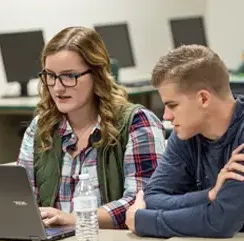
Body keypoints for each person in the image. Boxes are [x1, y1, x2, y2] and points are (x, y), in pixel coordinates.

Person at [125, 45, 244, 237]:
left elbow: (220, 221)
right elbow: (152, 198)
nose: (167, 116)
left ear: (204, 98)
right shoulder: (188, 133)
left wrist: (142, 221)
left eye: (173, 105)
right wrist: (209, 195)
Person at [17, 26, 165, 229]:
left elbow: (141, 201)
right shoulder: (40, 127)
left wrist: (75, 220)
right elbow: (22, 200)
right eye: (50, 75)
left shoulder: (137, 123)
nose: (58, 87)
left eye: (69, 76)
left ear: (97, 75)